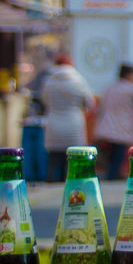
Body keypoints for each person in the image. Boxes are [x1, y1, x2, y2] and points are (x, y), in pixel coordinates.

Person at [40, 54, 95, 182]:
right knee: (73, 159)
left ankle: (52, 183)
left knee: (54, 159)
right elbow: (89, 102)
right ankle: (70, 185)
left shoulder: (49, 81)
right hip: (74, 122)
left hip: (53, 122)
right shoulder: (78, 80)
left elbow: (44, 100)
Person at [92, 63, 133, 181]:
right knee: (118, 157)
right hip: (123, 127)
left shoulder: (110, 88)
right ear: (129, 75)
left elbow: (99, 108)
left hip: (106, 127)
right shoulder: (132, 90)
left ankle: (111, 176)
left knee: (111, 157)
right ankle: (112, 179)